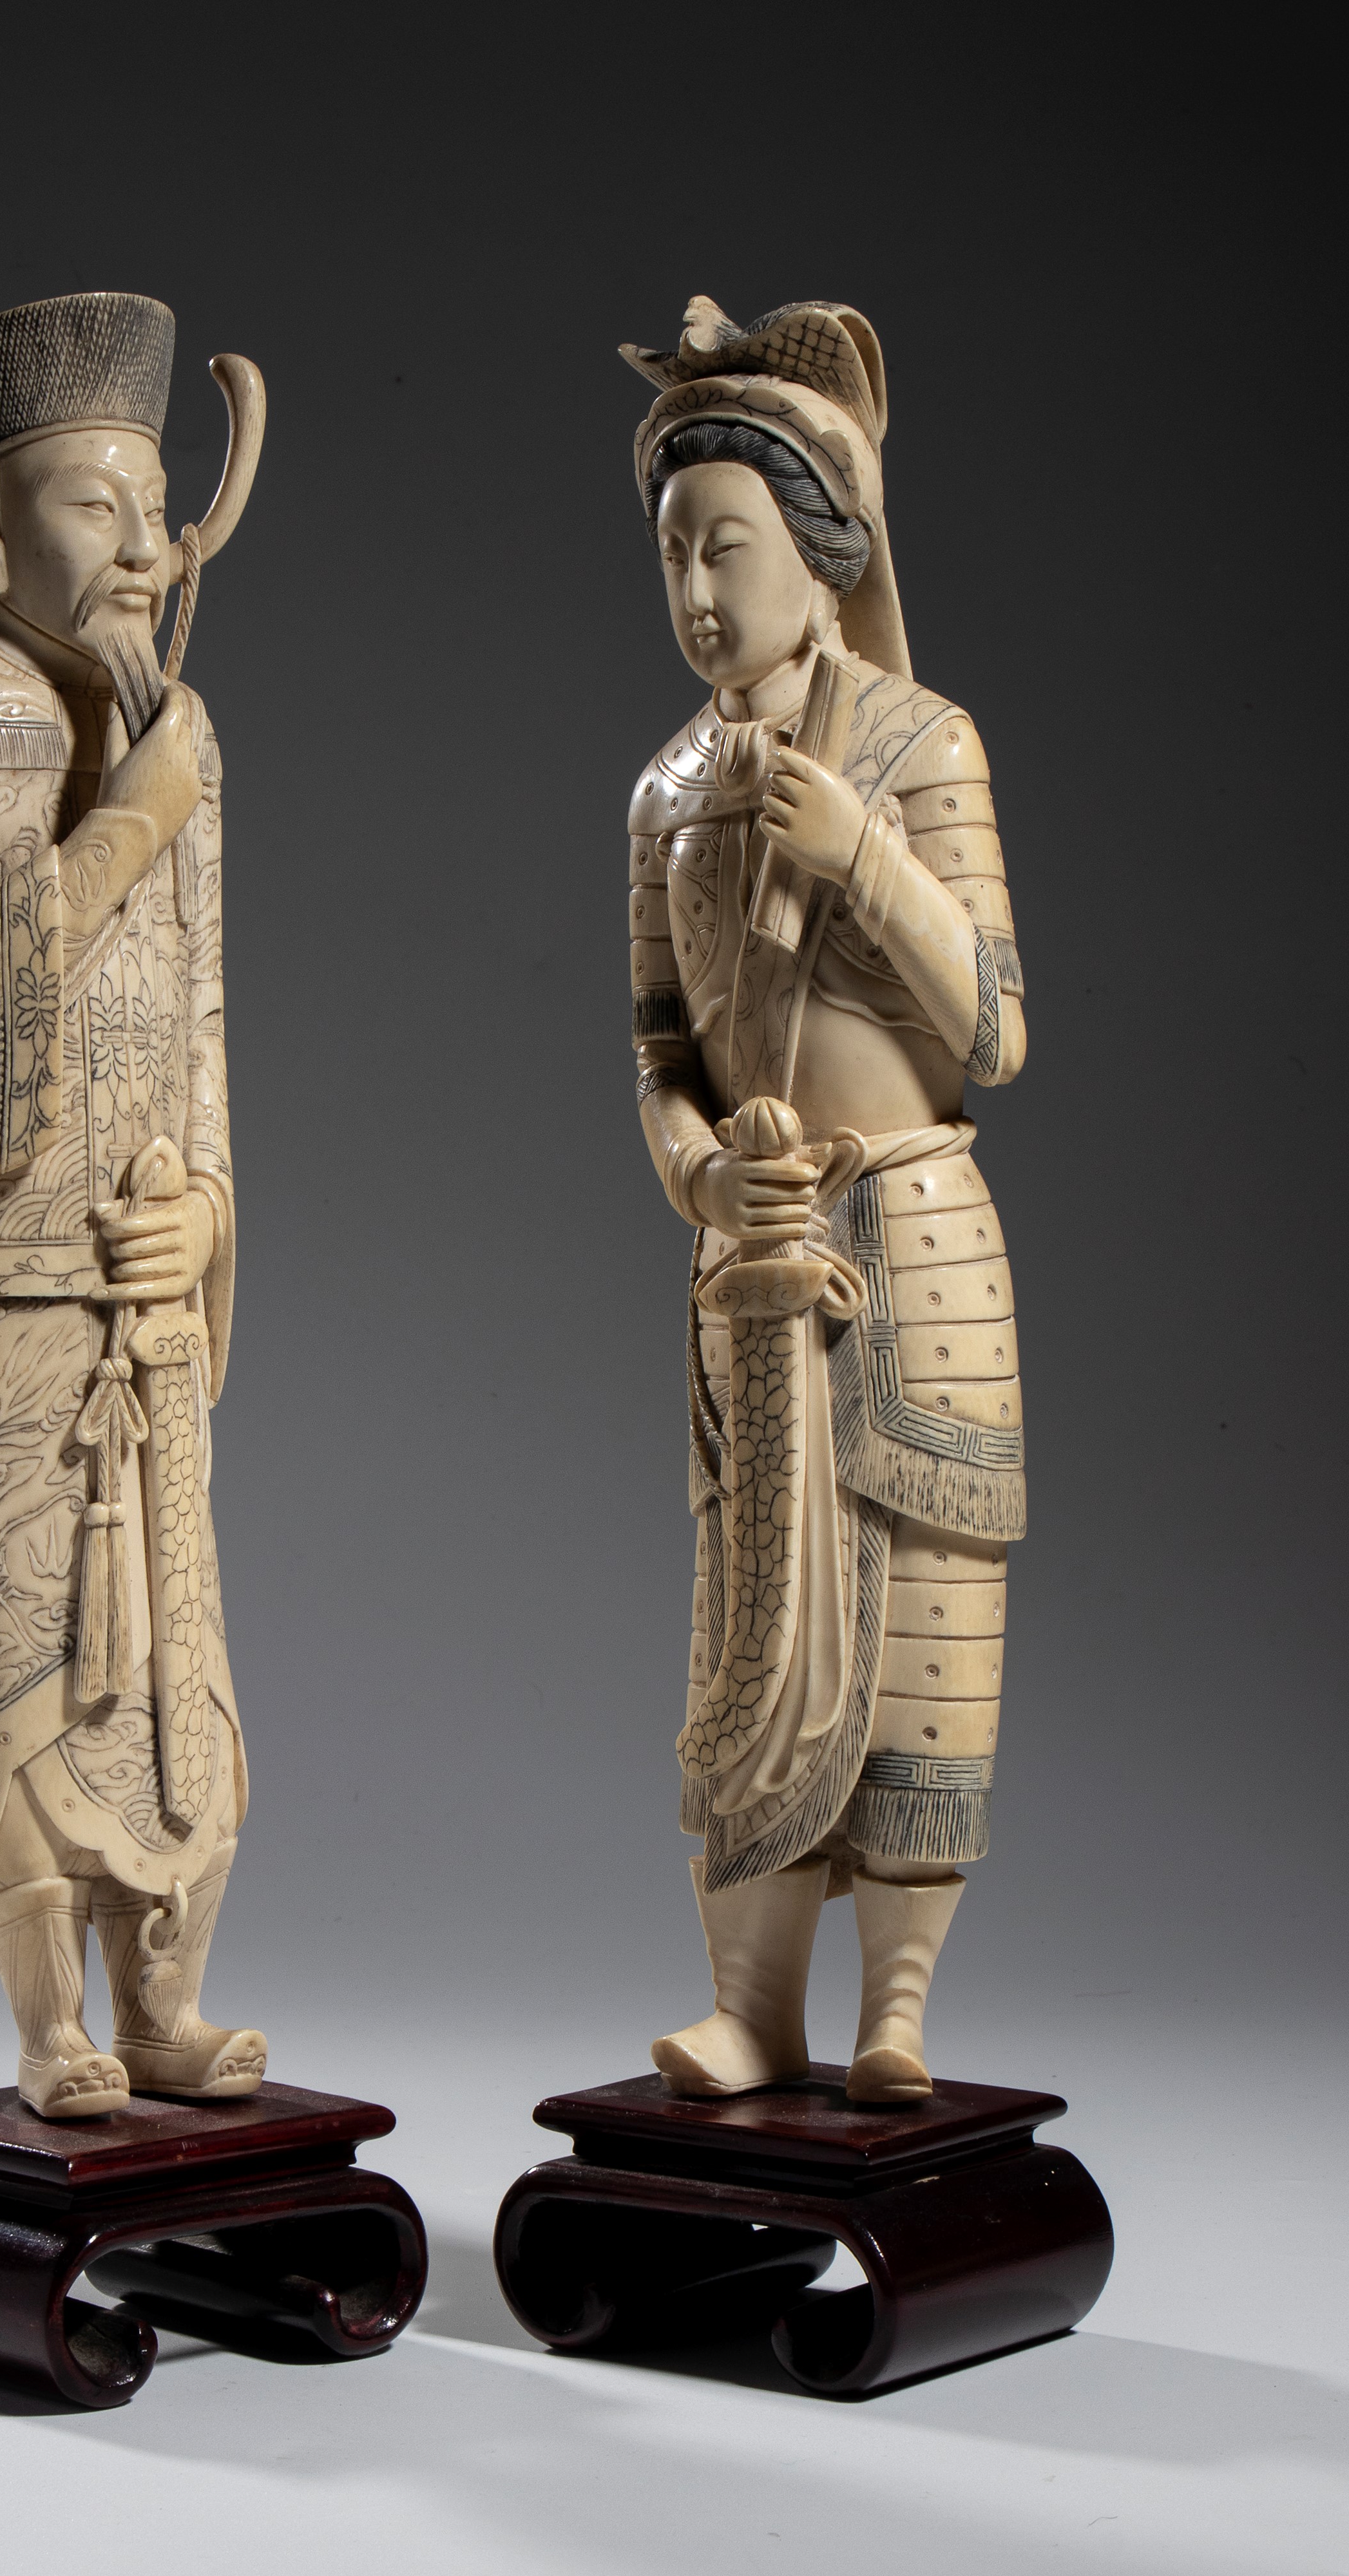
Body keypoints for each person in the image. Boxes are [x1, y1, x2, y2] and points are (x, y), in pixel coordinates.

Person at [0, 292, 263, 2117]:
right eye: (97, 506)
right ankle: (46, 2024)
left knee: (166, 1679)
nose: (145, 548)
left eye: (157, 507)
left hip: (141, 1304)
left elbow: (203, 1038)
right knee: (6, 1676)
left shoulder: (180, 734)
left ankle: (165, 2000)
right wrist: (128, 821)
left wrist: (210, 1220)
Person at [620, 298, 1028, 2103]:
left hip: (917, 1240)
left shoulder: (925, 747)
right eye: (672, 554)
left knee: (927, 1625)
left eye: (730, 546)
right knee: (753, 1637)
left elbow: (997, 1027)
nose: (698, 590)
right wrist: (703, 1169)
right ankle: (753, 2008)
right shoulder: (661, 793)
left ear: (822, 553)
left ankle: (898, 2012)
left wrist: (857, 852)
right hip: (760, 1259)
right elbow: (657, 1057)